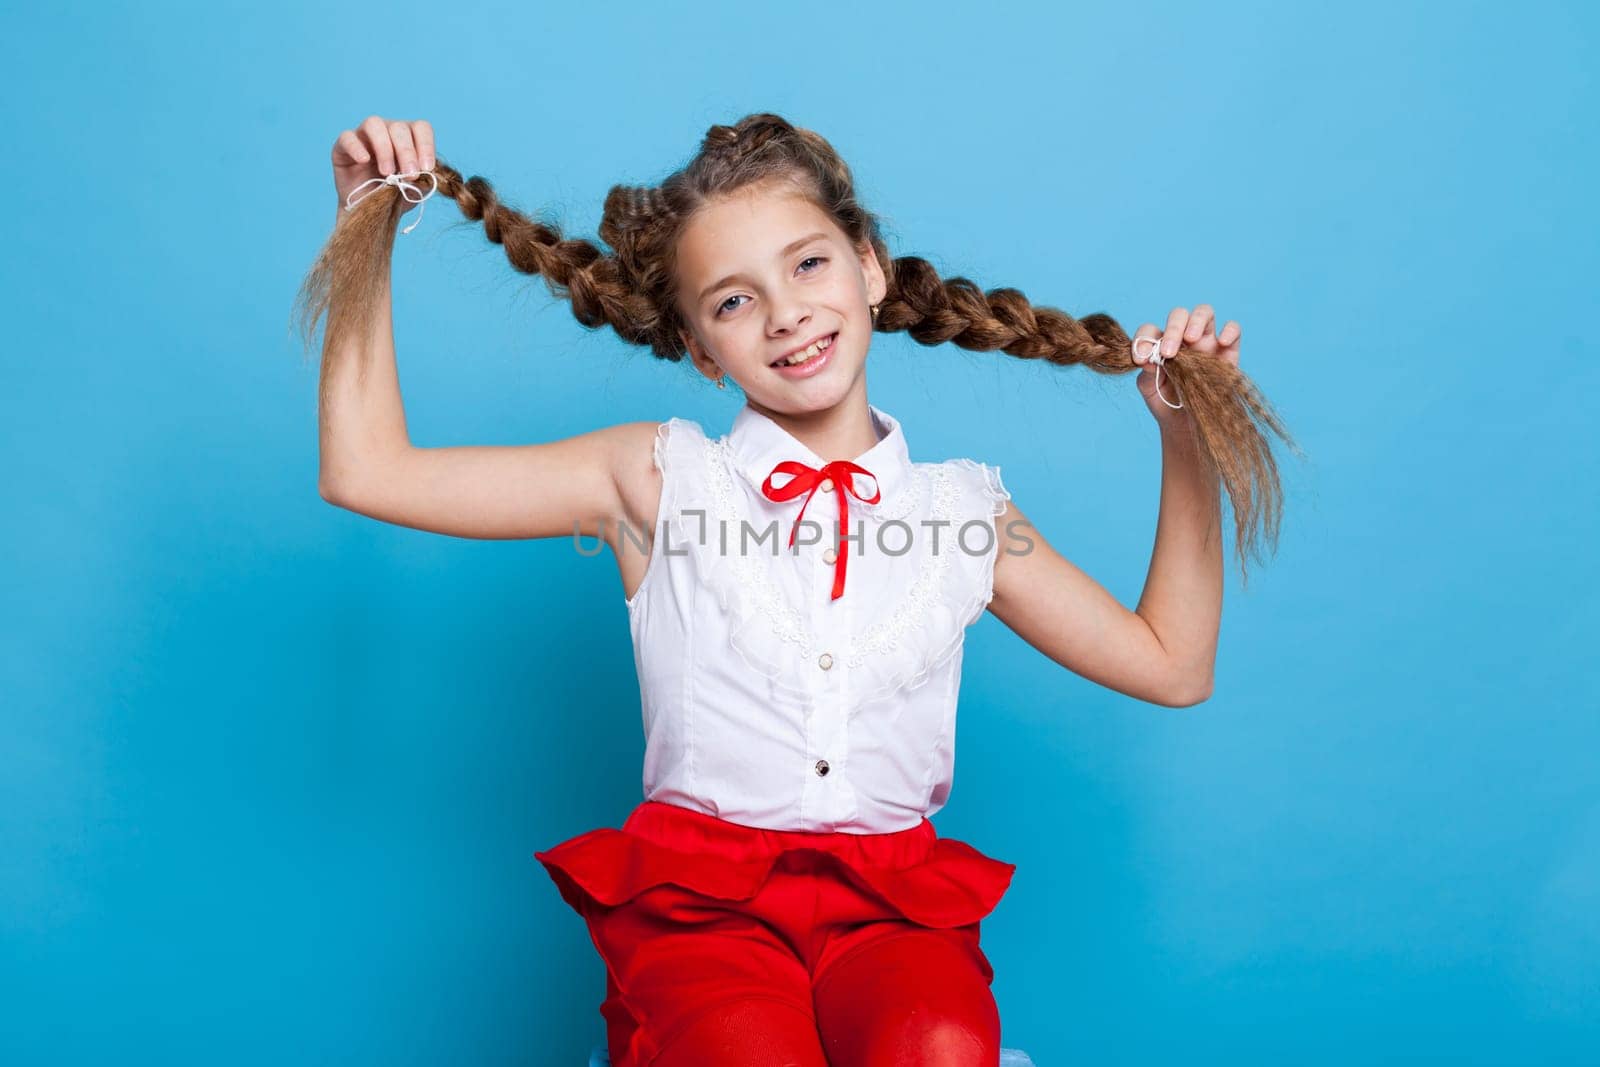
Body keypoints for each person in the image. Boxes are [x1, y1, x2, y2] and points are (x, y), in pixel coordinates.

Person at [294, 111, 1295, 1067]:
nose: (785, 315)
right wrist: (365, 224)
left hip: (893, 915)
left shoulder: (964, 513)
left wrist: (1183, 438)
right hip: (702, 913)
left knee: (940, 1045)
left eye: (808, 263)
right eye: (732, 300)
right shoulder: (652, 478)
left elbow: (1172, 663)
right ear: (696, 345)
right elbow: (367, 469)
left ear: (867, 268)